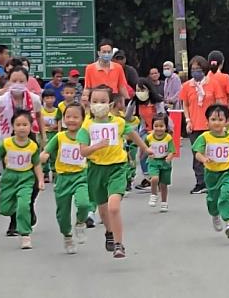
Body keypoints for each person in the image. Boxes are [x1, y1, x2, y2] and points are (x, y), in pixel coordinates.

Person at [77, 85, 149, 258]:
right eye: (95, 101)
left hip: (117, 167)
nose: (98, 105)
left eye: (102, 101)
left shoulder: (118, 122)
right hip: (96, 169)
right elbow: (83, 151)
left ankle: (119, 244)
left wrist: (145, 148)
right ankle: (109, 233)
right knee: (102, 209)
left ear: (110, 104)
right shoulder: (87, 125)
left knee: (113, 207)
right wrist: (97, 146)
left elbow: (132, 134)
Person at [0, 66, 45, 234]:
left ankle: (28, 206)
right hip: (8, 145)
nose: (18, 84)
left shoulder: (34, 99)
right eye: (14, 80)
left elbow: (39, 115)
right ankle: (14, 222)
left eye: (22, 81)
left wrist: (43, 136)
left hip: (29, 142)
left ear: (27, 82)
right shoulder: (1, 100)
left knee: (34, 181)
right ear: (8, 81)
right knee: (14, 182)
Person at [0, 110, 45, 250]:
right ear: (13, 127)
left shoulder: (33, 146)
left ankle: (25, 234)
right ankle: (21, 213)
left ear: (30, 127)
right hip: (10, 178)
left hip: (26, 178)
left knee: (23, 204)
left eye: (25, 124)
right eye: (18, 125)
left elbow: (36, 164)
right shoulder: (6, 144)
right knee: (5, 209)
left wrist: (40, 180)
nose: (22, 128)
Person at [39, 102, 91, 254]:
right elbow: (46, 152)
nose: (71, 120)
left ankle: (81, 223)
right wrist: (41, 158)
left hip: (81, 176)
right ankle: (67, 236)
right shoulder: (59, 136)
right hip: (62, 178)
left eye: (76, 117)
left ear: (83, 119)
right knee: (63, 213)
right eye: (68, 117)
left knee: (83, 203)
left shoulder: (86, 137)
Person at [180, 56, 227, 194]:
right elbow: (185, 104)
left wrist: (220, 121)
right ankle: (200, 182)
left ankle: (215, 179)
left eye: (198, 69)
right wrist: (187, 120)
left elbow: (219, 102)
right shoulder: (187, 86)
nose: (195, 72)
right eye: (193, 69)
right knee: (197, 154)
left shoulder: (213, 83)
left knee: (212, 153)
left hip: (211, 125)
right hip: (195, 125)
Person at [192, 104, 229, 239]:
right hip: (211, 173)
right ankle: (214, 214)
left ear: (226, 121)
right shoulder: (205, 137)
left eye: (220, 119)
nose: (217, 123)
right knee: (213, 199)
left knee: (226, 194)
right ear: (207, 122)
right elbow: (197, 153)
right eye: (213, 119)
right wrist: (204, 158)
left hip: (228, 171)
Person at [127, 78, 167, 190]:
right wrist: (131, 103)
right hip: (145, 130)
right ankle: (149, 178)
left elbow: (162, 116)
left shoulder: (157, 101)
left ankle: (157, 177)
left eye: (142, 89)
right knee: (143, 154)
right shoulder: (136, 102)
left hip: (159, 130)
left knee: (157, 155)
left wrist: (157, 130)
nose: (140, 92)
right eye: (138, 90)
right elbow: (127, 117)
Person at [145, 113, 175, 212]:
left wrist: (169, 157)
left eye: (161, 126)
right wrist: (146, 153)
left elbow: (172, 151)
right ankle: (153, 194)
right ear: (152, 126)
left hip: (164, 163)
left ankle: (164, 202)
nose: (158, 128)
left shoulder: (168, 138)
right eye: (156, 126)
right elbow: (144, 148)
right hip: (153, 162)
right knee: (154, 178)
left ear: (166, 127)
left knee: (163, 185)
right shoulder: (149, 137)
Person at [40, 88, 61, 182]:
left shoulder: (57, 111)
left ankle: (54, 172)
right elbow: (39, 122)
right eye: (47, 98)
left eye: (51, 98)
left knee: (54, 154)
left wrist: (56, 126)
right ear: (43, 99)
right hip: (44, 134)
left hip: (54, 134)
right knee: (44, 152)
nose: (49, 100)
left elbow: (59, 121)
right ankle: (45, 173)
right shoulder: (40, 111)